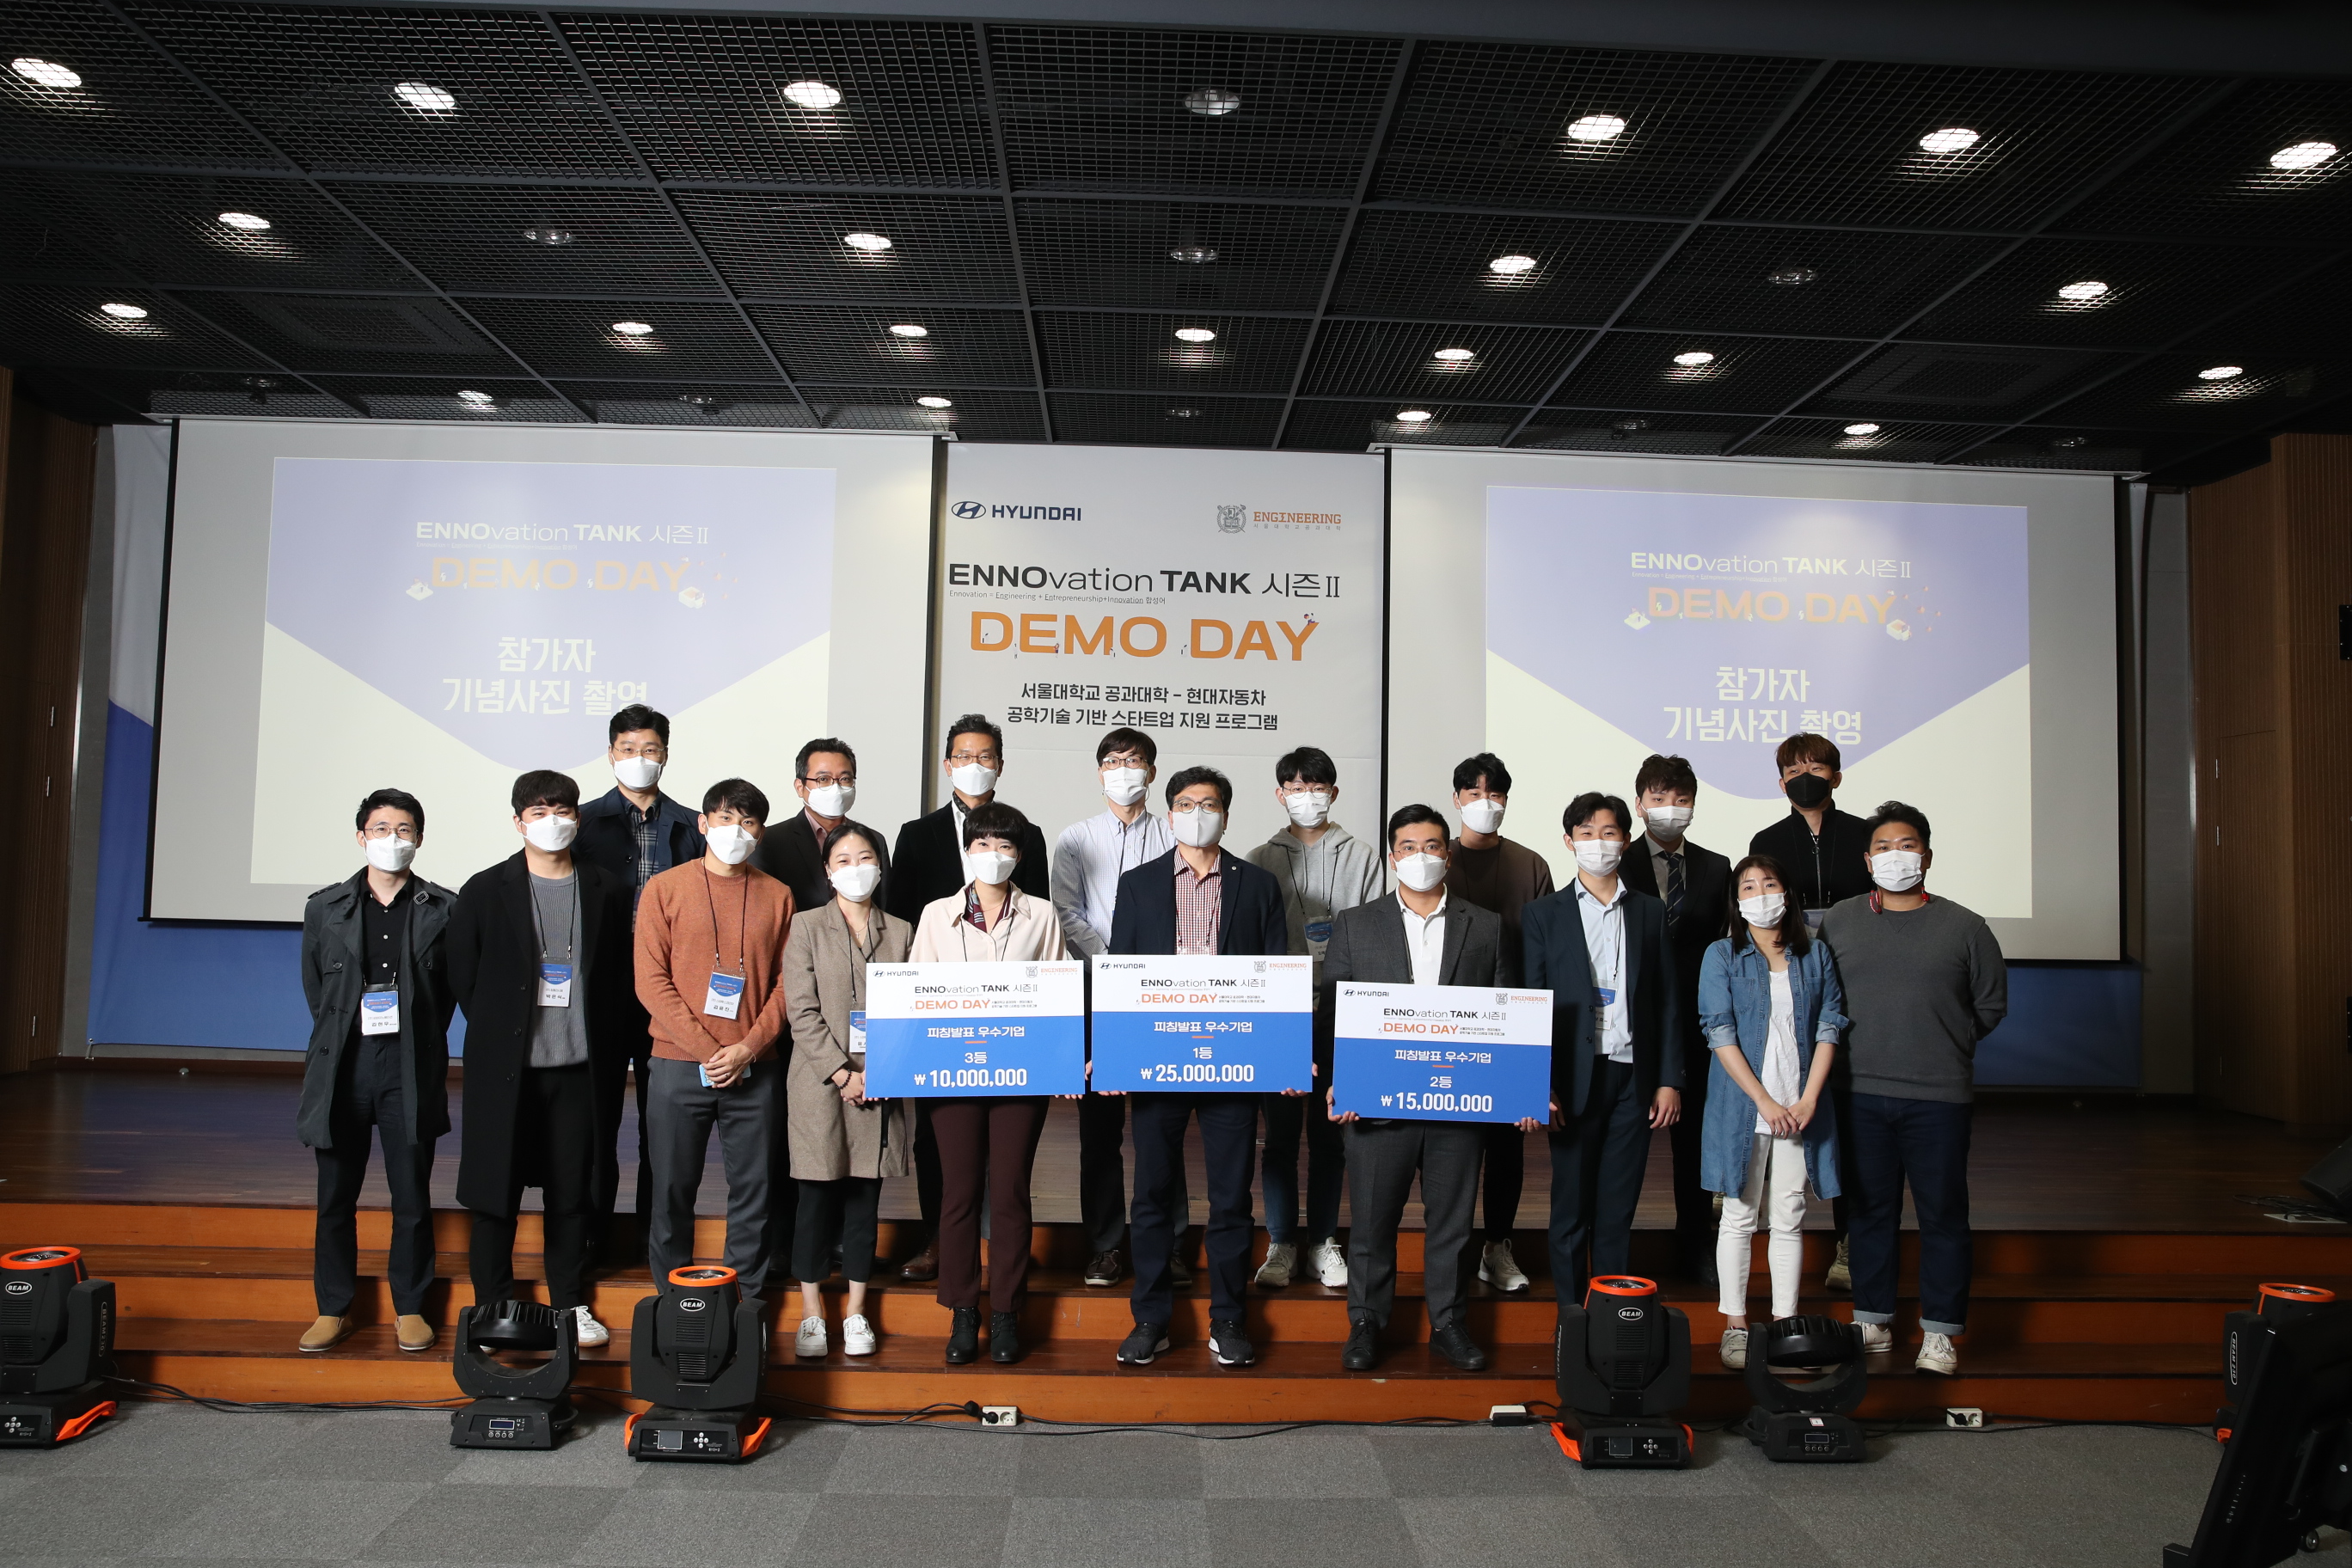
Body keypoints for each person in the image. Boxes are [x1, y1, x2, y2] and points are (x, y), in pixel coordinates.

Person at [1322, 805, 1530, 1373]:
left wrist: (1519, 1089)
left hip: (1457, 1104)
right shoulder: (1356, 923)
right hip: (1375, 1103)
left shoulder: (1486, 926)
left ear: (1448, 854)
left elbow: (1507, 1015)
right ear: (1393, 857)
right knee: (1371, 1222)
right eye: (1409, 847)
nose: (1422, 856)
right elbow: (1333, 1011)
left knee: (1453, 1226)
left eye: (1433, 846)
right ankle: (1366, 1323)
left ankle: (1449, 1324)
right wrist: (1339, 1079)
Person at [1108, 767, 1287, 1370]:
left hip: (1233, 1060)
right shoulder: (1138, 885)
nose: (1197, 813)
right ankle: (1150, 1319)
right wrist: (1112, 1050)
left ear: (1226, 816)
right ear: (1170, 814)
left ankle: (1229, 1318)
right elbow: (1121, 972)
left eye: (1209, 804)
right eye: (1185, 804)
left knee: (1231, 1198)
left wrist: (1284, 1053)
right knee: (1152, 1195)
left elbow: (1276, 976)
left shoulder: (1258, 885)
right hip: (1157, 1059)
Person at [449, 771, 634, 1349]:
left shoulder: (606, 888)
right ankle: (493, 1307)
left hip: (579, 1070)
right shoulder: (485, 889)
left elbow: (617, 976)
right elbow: (464, 976)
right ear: (518, 822)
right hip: (507, 1071)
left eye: (562, 810)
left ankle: (570, 1303)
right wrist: (503, 1032)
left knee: (571, 1193)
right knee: (495, 1194)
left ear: (577, 818)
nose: (552, 821)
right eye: (539, 811)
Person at [1822, 801, 2006, 1377]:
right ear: (1867, 860)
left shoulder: (1967, 927)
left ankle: (1940, 1333)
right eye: (1883, 847)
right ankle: (1872, 1319)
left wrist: (1945, 1042)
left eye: (1906, 846)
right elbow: (1821, 997)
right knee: (1869, 1211)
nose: (1895, 856)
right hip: (1859, 1093)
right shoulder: (1840, 921)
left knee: (1943, 1213)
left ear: (1927, 856)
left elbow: (1990, 1005)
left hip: (1938, 1097)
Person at [889, 714, 1050, 1284]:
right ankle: (939, 1238)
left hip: (1012, 1023)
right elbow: (903, 922)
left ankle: (1000, 1251)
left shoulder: (1027, 834)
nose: (974, 765)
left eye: (985, 756)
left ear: (999, 764)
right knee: (938, 1143)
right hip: (944, 1020)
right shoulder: (917, 834)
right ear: (947, 764)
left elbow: (1040, 931)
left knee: (1007, 1162)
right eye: (964, 755)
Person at [297, 789, 457, 1355]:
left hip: (408, 1067)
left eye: (404, 829)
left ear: (420, 838)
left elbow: (446, 997)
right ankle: (332, 1308)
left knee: (411, 1195)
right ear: (361, 837)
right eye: (381, 828)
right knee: (335, 1198)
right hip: (344, 1066)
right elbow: (318, 992)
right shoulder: (325, 908)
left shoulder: (444, 908)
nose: (393, 838)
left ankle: (410, 1307)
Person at [909, 800, 1067, 1366]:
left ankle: (1005, 1312)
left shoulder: (1042, 915)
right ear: (967, 850)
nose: (993, 854)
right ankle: (962, 1311)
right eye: (982, 844)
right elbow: (916, 996)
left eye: (1004, 845)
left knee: (1010, 1192)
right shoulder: (936, 915)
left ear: (1019, 855)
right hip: (951, 1074)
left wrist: (1061, 1064)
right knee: (959, 1192)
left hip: (1021, 1075)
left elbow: (1059, 993)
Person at [634, 779, 795, 1302]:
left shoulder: (778, 895)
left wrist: (747, 1048)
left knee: (754, 1190)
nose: (736, 831)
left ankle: (743, 1301)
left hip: (756, 1067)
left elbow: (789, 984)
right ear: (703, 824)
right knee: (671, 1189)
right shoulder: (665, 889)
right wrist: (710, 1052)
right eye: (726, 819)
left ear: (761, 833)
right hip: (678, 1065)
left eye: (748, 822)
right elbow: (650, 981)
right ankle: (673, 1301)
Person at [1522, 791, 1682, 1304]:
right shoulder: (1543, 914)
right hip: (1572, 1079)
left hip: (1634, 1076)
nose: (1598, 843)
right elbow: (1532, 1003)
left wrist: (1669, 1080)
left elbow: (1667, 1001)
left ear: (1626, 840)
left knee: (1617, 1208)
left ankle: (1611, 1315)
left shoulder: (1650, 911)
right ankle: (1571, 1316)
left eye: (1609, 833)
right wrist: (1539, 1084)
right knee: (1571, 1206)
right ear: (1569, 842)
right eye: (1587, 834)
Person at [1698, 855, 1845, 1370]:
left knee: (1789, 1215)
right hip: (1745, 1106)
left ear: (1787, 892)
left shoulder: (1815, 954)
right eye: (1748, 887)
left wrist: (1808, 1100)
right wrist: (1763, 1100)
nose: (1761, 894)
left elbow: (1830, 1025)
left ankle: (1786, 1324)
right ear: (1736, 901)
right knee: (1739, 1215)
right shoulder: (1721, 955)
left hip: (1800, 1107)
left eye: (1770, 883)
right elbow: (1719, 1031)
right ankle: (1736, 1326)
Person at [1248, 745, 1384, 1293]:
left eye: (1317, 787)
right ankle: (1282, 1242)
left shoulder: (1363, 856)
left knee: (1331, 1135)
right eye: (1297, 788)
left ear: (1334, 792)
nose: (1308, 797)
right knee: (1279, 1136)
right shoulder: (1259, 858)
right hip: (1281, 1013)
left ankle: (1324, 1239)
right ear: (1280, 794)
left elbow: (1375, 933)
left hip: (1342, 1009)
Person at [1049, 727, 1179, 1290]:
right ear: (1100, 771)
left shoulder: (1175, 832)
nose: (1124, 769)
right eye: (1113, 760)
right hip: (1093, 990)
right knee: (1099, 1131)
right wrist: (1115, 963)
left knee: (1162, 1124)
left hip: (1158, 996)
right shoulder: (1076, 838)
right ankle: (1104, 1245)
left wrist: (1140, 974)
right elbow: (1065, 912)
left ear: (1151, 771)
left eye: (1135, 760)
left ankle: (1168, 1243)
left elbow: (1184, 910)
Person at [574, 704, 706, 1259]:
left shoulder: (694, 826)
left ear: (665, 755)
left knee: (665, 1123)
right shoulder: (581, 823)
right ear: (611, 755)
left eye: (649, 749)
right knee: (596, 1117)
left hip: (672, 995)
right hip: (601, 991)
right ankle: (593, 1235)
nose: (639, 759)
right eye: (628, 749)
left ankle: (658, 1238)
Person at [1747, 732, 1874, 1293]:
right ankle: (1763, 1218)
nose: (1805, 777)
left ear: (1836, 776)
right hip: (1794, 987)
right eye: (1794, 769)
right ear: (1781, 783)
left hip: (1861, 985)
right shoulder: (1768, 841)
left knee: (1853, 1120)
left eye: (1816, 767)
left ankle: (1849, 1241)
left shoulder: (1866, 836)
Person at [783, 823, 911, 1360]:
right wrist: (842, 1073)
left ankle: (857, 1311)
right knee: (814, 1201)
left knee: (864, 1200)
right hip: (820, 1085)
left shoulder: (902, 931)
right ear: (828, 871)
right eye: (844, 859)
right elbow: (801, 1011)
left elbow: (911, 1010)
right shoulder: (806, 925)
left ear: (879, 867)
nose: (855, 868)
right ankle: (812, 1312)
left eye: (865, 857)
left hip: (881, 1085)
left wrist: (879, 1072)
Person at [1442, 751, 1555, 1295]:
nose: (1484, 802)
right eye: (1474, 793)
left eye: (1495, 794)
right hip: (1446, 1023)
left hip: (1511, 1024)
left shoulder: (1530, 866)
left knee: (1508, 1145)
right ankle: (1451, 1246)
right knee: (1452, 1143)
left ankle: (1497, 1244)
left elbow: (1545, 951)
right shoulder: (1437, 856)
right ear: (1457, 798)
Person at [1618, 753, 1731, 1283]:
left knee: (1695, 1144)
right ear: (1640, 804)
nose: (1670, 808)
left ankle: (1696, 1245)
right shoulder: (1616, 860)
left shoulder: (1717, 866)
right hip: (1631, 1023)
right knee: (1627, 1142)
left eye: (1681, 799)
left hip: (1697, 1024)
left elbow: (1724, 945)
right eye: (1659, 798)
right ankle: (1615, 1249)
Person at [755, 738, 893, 915]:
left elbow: (885, 906)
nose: (836, 787)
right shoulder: (771, 841)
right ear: (800, 787)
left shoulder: (874, 840)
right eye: (823, 779)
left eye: (845, 779)